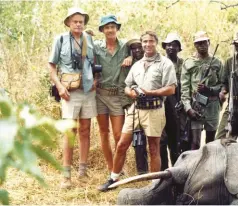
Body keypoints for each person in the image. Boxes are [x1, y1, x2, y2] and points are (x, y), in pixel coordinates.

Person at [97, 31, 177, 191]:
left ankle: (155, 186)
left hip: (154, 108)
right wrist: (131, 92)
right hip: (136, 108)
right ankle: (113, 178)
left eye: (151, 41)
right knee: (122, 144)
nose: (148, 44)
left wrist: (151, 92)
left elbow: (171, 89)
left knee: (154, 147)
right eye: (145, 41)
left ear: (156, 42)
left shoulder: (165, 63)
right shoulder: (137, 64)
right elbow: (127, 85)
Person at [48, 7, 97, 188]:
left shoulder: (89, 39)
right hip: (69, 92)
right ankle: (66, 175)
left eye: (81, 21)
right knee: (70, 132)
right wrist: (59, 86)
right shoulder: (60, 39)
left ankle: (82, 173)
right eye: (75, 21)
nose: (78, 24)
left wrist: (96, 80)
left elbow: (95, 63)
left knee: (85, 130)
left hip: (88, 91)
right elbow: (52, 66)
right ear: (68, 22)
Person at [93, 15, 132, 172]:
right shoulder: (96, 47)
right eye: (107, 27)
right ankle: (111, 168)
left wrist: (130, 57)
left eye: (113, 27)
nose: (110, 30)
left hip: (117, 95)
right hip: (100, 95)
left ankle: (118, 168)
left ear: (117, 28)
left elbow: (140, 51)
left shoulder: (125, 47)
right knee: (104, 133)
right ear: (102, 30)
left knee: (118, 135)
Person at [181, 31, 222, 150]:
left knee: (211, 142)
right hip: (196, 106)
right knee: (195, 143)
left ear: (209, 43)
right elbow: (185, 89)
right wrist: (188, 108)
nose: (201, 45)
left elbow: (223, 86)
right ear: (194, 45)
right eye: (198, 43)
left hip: (212, 106)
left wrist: (209, 89)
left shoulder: (216, 62)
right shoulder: (189, 62)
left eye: (204, 42)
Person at [118, 37, 148, 175]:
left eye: (139, 47)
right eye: (133, 49)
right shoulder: (127, 64)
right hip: (134, 105)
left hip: (152, 105)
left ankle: (158, 170)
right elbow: (123, 85)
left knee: (158, 139)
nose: (137, 50)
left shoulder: (151, 60)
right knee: (139, 138)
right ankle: (142, 171)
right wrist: (128, 105)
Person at [160, 32, 184, 170]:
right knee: (161, 140)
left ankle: (176, 171)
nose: (171, 48)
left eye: (174, 45)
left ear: (178, 48)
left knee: (176, 141)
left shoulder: (183, 64)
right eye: (168, 45)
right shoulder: (159, 62)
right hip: (163, 103)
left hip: (179, 105)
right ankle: (163, 172)